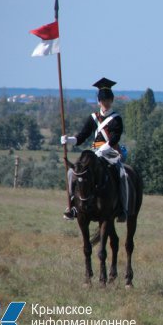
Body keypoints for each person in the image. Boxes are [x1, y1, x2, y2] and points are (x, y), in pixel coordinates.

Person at [61, 77, 129, 222]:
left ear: (112, 101)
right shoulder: (93, 118)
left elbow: (114, 139)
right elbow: (82, 136)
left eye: (108, 100)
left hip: (110, 153)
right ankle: (72, 206)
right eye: (103, 100)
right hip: (94, 153)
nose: (106, 103)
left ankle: (123, 208)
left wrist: (102, 150)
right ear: (99, 101)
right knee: (72, 173)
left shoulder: (117, 119)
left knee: (122, 174)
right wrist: (69, 140)